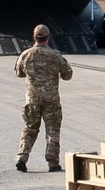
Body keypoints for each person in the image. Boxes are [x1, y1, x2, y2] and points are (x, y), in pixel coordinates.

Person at [14, 24, 73, 173]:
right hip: (51, 100)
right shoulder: (55, 55)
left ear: (34, 37)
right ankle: (53, 163)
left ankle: (22, 157)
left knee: (30, 128)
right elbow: (68, 74)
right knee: (52, 131)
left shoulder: (25, 55)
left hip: (32, 99)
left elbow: (19, 73)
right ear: (48, 38)